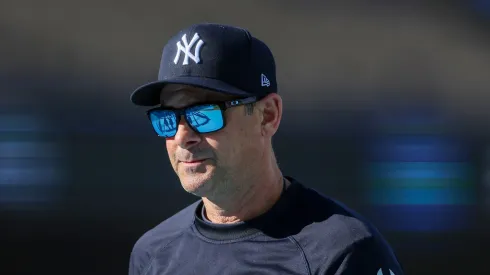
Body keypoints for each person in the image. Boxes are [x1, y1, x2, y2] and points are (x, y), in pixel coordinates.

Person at [128, 23, 404, 275]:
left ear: (267, 115)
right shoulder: (152, 254)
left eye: (204, 114)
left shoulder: (344, 250)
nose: (182, 136)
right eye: (168, 119)